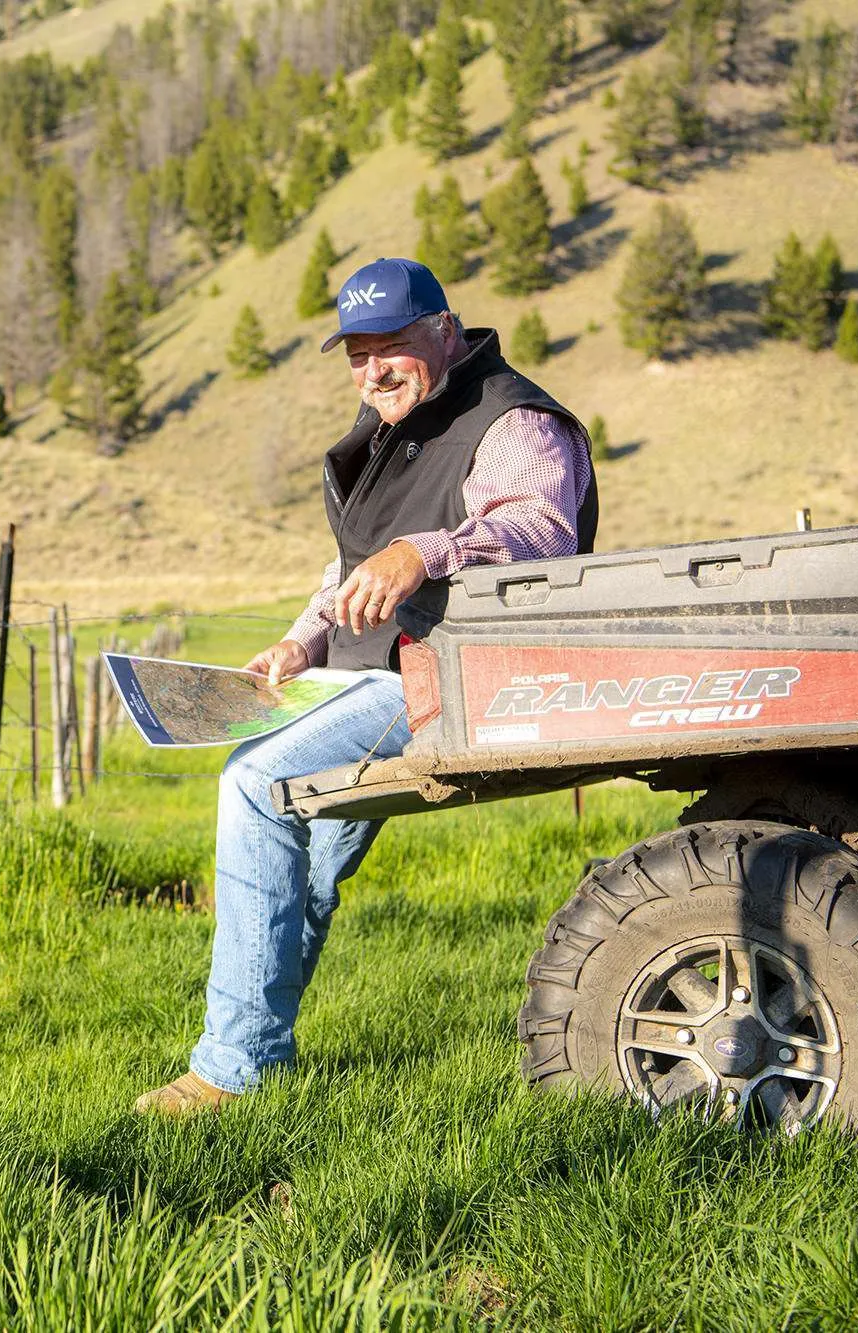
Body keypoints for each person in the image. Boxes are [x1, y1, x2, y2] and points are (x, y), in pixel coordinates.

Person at [134, 257, 599, 1115]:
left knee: (254, 783)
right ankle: (259, 1058)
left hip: (447, 676)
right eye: (357, 352)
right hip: (373, 674)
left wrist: (422, 552)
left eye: (392, 345)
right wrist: (301, 641)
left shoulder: (514, 421)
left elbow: (539, 530)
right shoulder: (398, 413)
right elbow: (355, 559)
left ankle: (230, 1069)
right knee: (303, 863)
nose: (374, 367)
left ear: (446, 332)